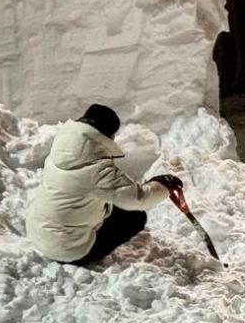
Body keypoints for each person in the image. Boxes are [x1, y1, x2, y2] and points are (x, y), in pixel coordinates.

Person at [25, 104, 182, 266]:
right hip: (68, 250)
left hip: (38, 234)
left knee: (108, 203)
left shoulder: (64, 148)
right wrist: (164, 184)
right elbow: (138, 199)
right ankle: (85, 257)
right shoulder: (96, 169)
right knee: (135, 217)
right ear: (107, 135)